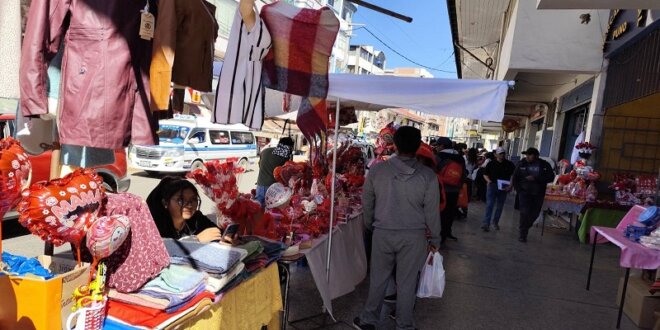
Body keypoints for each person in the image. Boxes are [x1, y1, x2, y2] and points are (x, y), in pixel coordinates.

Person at [354, 126, 440, 330]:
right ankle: (404, 325)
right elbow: (432, 213)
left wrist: (370, 227)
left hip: (382, 232)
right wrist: (435, 240)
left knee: (378, 279)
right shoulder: (428, 176)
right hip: (414, 237)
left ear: (396, 144)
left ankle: (368, 320)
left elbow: (367, 203)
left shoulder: (377, 169)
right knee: (407, 283)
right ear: (418, 146)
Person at [146, 177, 226, 243]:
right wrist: (195, 240)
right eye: (181, 200)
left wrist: (228, 237)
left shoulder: (196, 219)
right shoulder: (155, 225)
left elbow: (217, 233)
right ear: (165, 203)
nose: (189, 205)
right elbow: (161, 250)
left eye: (193, 200)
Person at [511, 147, 555, 242]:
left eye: (529, 155)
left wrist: (536, 179)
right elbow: (515, 177)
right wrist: (518, 189)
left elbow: (551, 177)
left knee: (535, 213)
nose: (527, 156)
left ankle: (525, 227)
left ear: (535, 156)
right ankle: (523, 234)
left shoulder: (544, 165)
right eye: (526, 155)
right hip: (524, 192)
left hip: (538, 193)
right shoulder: (522, 163)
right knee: (524, 212)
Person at [433, 137, 466, 243]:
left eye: (437, 145)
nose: (436, 147)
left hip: (441, 189)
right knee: (450, 212)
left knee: (441, 212)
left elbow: (433, 172)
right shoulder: (460, 157)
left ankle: (440, 235)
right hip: (455, 190)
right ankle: (447, 232)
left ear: (442, 146)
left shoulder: (439, 156)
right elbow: (464, 174)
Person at [481, 147, 515, 231]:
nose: (502, 155)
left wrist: (510, 185)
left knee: (500, 206)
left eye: (503, 153)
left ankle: (495, 222)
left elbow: (513, 175)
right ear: (495, 154)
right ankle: (486, 223)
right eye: (500, 153)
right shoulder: (491, 163)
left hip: (504, 187)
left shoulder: (509, 164)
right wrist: (488, 181)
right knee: (489, 205)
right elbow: (485, 174)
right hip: (492, 186)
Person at [255, 137, 294, 206]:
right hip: (273, 189)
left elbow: (260, 165)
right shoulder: (284, 157)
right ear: (289, 147)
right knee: (270, 212)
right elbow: (285, 175)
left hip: (260, 185)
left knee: (258, 208)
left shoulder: (265, 151)